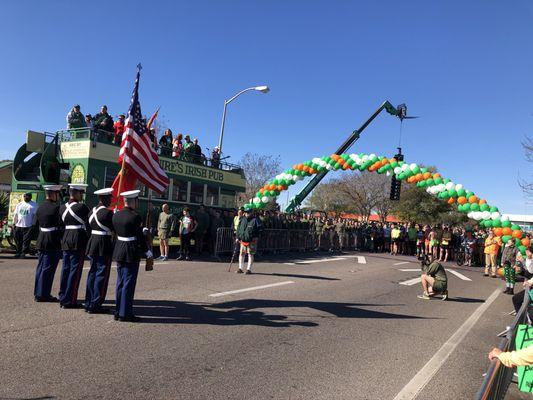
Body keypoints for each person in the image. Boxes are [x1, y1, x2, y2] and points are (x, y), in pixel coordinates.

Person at [112, 190, 152, 322]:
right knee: (128, 283)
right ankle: (125, 313)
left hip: (119, 249)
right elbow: (139, 237)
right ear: (133, 201)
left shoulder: (116, 215)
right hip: (130, 251)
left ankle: (118, 311)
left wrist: (140, 230)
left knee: (120, 282)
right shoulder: (135, 217)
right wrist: (147, 251)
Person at [58, 183, 90, 309]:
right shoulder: (82, 207)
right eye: (81, 193)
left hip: (66, 238)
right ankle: (70, 300)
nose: (81, 195)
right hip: (78, 238)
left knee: (65, 269)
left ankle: (63, 296)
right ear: (75, 193)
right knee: (75, 271)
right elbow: (89, 223)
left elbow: (61, 224)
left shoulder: (61, 207)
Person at [84, 188, 114, 313]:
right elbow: (114, 228)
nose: (111, 200)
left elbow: (87, 227)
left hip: (92, 242)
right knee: (102, 274)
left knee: (92, 273)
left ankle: (89, 301)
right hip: (103, 243)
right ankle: (96, 303)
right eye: (110, 198)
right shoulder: (108, 213)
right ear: (105, 198)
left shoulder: (91, 211)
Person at [33, 185, 63, 302]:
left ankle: (38, 292)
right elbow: (60, 224)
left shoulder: (40, 207)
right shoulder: (56, 208)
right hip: (52, 240)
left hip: (42, 239)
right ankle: (43, 294)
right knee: (48, 269)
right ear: (53, 194)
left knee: (41, 268)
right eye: (57, 194)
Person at [236, 208, 262, 274]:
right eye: (245, 212)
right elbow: (239, 229)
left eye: (248, 212)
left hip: (251, 241)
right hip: (243, 240)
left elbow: (260, 230)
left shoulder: (255, 220)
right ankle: (240, 268)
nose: (246, 214)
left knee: (250, 254)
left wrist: (256, 237)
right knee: (241, 254)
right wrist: (237, 237)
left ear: (251, 213)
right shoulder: (242, 219)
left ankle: (249, 269)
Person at [13, 192, 37, 258]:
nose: (25, 197)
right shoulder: (19, 204)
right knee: (18, 240)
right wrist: (14, 224)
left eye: (27, 196)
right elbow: (16, 214)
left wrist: (33, 224)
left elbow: (35, 216)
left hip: (28, 226)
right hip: (18, 225)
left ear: (30, 197)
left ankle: (23, 253)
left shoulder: (34, 205)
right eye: (24, 196)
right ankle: (18, 252)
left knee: (26, 241)